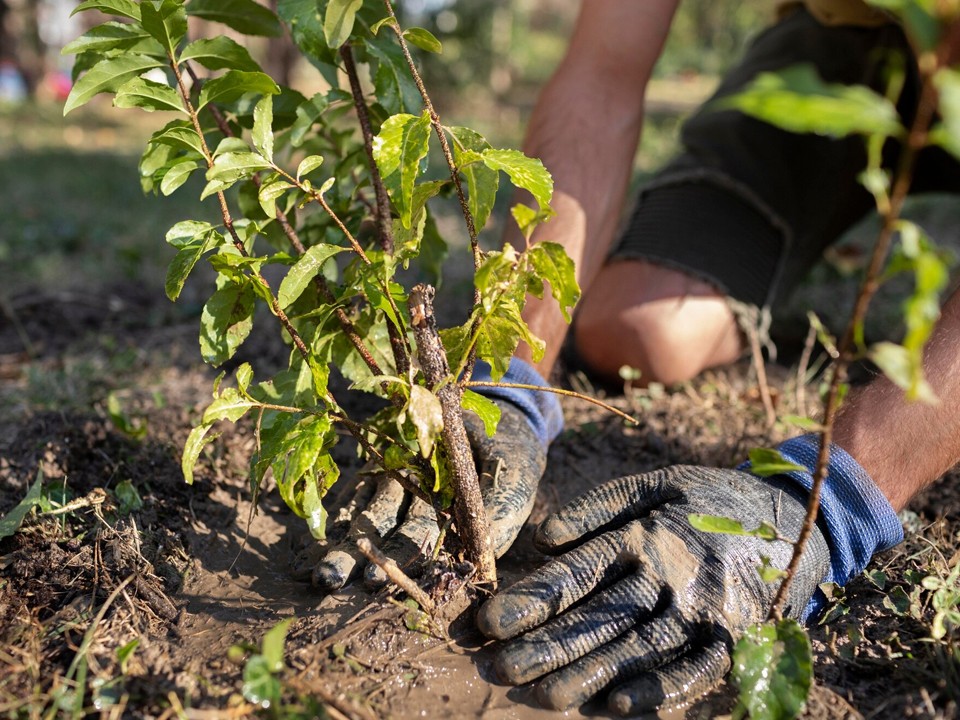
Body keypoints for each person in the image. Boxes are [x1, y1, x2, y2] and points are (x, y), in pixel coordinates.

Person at [305, 1, 960, 715]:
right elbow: (600, 75)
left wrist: (833, 496)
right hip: (842, 52)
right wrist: (511, 366)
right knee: (640, 332)